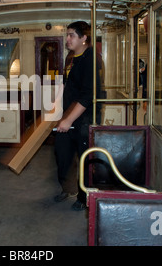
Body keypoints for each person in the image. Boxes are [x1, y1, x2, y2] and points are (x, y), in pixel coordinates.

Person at [54, 21, 101, 211]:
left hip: (83, 119)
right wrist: (60, 110)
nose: (68, 39)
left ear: (84, 38)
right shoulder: (70, 58)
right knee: (62, 153)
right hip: (68, 115)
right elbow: (68, 86)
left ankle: (83, 197)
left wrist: (69, 119)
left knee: (84, 159)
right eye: (67, 35)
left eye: (72, 35)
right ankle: (69, 188)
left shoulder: (91, 60)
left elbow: (88, 95)